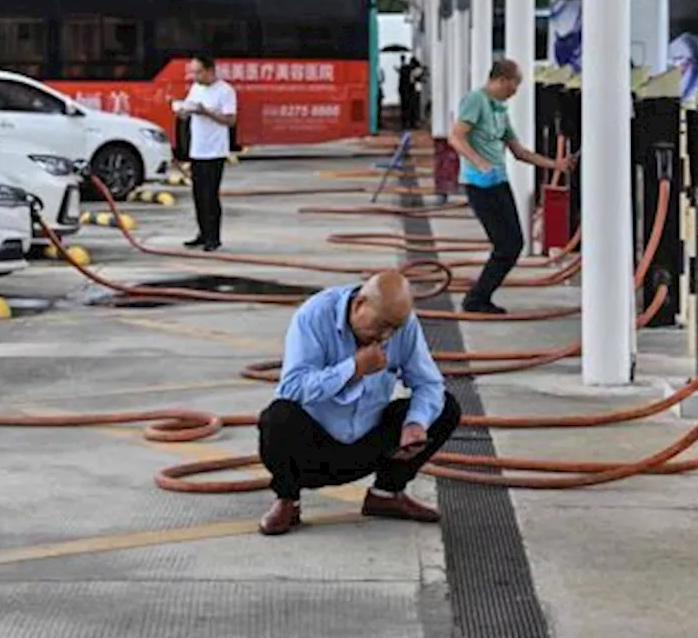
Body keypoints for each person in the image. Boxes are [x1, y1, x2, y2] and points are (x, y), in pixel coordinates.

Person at [256, 271, 461, 536]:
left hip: (369, 443)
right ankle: (288, 500)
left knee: (445, 407)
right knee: (277, 418)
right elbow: (292, 388)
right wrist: (353, 368)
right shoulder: (314, 316)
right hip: (315, 446)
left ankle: (386, 494)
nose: (385, 336)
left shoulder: (403, 324)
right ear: (359, 304)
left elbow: (429, 383)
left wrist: (415, 423)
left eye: (393, 329)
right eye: (380, 325)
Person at [448, 59, 574, 315]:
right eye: (515, 85)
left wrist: (555, 164)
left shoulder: (500, 110)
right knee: (506, 244)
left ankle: (480, 297)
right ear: (502, 80)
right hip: (479, 184)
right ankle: (476, 299)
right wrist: (478, 161)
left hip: (499, 181)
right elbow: (455, 136)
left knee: (513, 243)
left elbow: (519, 151)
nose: (515, 91)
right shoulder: (476, 100)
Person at [178, 54, 237, 252]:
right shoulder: (196, 88)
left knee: (210, 195)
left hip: (215, 151)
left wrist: (206, 112)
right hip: (197, 149)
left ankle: (214, 237)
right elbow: (189, 108)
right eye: (192, 72)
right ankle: (202, 233)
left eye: (198, 71)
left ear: (210, 71)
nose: (194, 76)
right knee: (197, 195)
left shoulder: (225, 91)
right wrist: (183, 112)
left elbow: (230, 120)